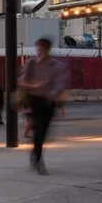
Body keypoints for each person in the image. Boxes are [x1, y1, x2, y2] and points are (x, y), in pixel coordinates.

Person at [19, 37, 68, 175]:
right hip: (35, 100)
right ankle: (38, 159)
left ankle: (36, 153)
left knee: (43, 131)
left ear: (47, 49)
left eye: (42, 48)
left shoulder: (56, 65)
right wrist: (35, 85)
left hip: (49, 101)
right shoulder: (31, 63)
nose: (39, 51)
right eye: (37, 48)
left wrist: (53, 93)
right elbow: (22, 82)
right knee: (38, 131)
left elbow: (61, 84)